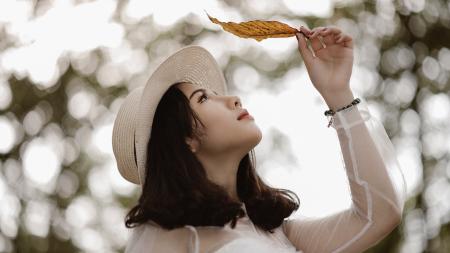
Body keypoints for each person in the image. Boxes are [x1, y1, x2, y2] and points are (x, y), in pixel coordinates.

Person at [112, 25, 407, 253]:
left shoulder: (276, 233)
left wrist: (337, 93)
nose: (233, 99)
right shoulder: (167, 239)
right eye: (203, 98)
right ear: (183, 140)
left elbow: (378, 215)